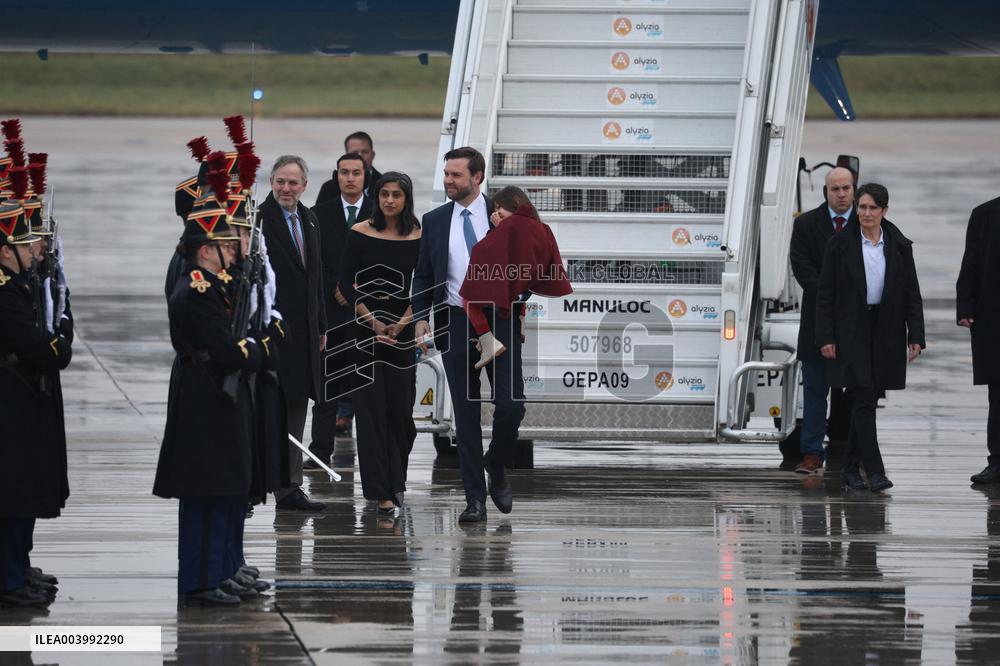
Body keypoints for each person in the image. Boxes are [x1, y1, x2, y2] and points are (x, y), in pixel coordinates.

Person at [152, 193, 265, 607]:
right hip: (204, 396)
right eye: (226, 244)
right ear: (205, 250)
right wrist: (255, 350)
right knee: (206, 491)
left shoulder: (215, 285)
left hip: (215, 395)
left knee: (223, 489)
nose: (234, 250)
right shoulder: (197, 290)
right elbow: (226, 349)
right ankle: (200, 581)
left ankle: (217, 570)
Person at [413, 146, 522, 524]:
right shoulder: (435, 220)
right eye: (446, 174)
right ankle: (474, 499)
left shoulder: (505, 215)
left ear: (477, 177)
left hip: (501, 320)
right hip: (455, 320)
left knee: (511, 405)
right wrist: (421, 316)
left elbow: (530, 262)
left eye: (456, 175)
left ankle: (496, 463)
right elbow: (425, 273)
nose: (448, 180)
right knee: (466, 414)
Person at [815, 183, 925, 492]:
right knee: (862, 396)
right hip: (852, 328)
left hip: (886, 329)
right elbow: (825, 296)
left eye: (872, 208)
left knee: (869, 397)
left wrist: (916, 334)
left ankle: (850, 468)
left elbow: (911, 293)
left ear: (884, 211)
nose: (865, 213)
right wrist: (826, 336)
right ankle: (875, 471)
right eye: (861, 207)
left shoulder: (899, 245)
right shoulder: (839, 246)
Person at [0, 200, 71, 609]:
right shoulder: (5, 291)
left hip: (22, 398)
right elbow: (39, 346)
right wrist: (57, 340)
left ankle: (17, 569)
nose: (34, 250)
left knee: (21, 493)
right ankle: (8, 580)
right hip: (10, 402)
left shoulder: (19, 282)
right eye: (25, 245)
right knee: (11, 497)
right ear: (6, 249)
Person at [337, 172, 421, 516]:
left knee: (400, 412)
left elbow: (426, 282)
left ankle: (396, 480)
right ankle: (381, 492)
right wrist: (372, 321)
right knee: (370, 415)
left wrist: (401, 325)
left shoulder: (420, 234)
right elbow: (345, 281)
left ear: (406, 199)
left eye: (396, 195)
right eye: (384, 194)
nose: (389, 200)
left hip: (402, 332)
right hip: (364, 332)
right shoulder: (360, 232)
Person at [259, 155, 327, 511]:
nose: (286, 189)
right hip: (270, 333)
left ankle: (289, 487)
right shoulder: (258, 220)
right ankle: (252, 486)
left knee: (297, 410)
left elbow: (315, 279)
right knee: (264, 412)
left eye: (293, 183)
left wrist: (321, 326)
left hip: (304, 336)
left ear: (304, 186)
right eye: (280, 182)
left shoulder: (310, 219)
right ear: (271, 182)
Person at [788, 167, 857, 474]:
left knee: (859, 393)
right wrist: (836, 294)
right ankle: (812, 452)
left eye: (846, 188)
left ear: (854, 189)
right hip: (818, 321)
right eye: (835, 189)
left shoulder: (867, 220)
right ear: (825, 192)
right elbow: (802, 268)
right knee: (815, 390)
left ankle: (859, 454)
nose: (841, 194)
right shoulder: (806, 224)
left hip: (857, 324)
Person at [307, 152, 373, 468]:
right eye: (344, 172)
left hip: (368, 313)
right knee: (326, 389)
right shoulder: (318, 214)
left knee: (368, 388)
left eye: (356, 173)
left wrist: (357, 290)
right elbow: (313, 262)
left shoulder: (380, 212)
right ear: (337, 176)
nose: (349, 178)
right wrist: (336, 286)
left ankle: (375, 455)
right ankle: (320, 451)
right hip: (331, 314)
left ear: (365, 177)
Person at [460, 186, 572, 370]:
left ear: (513, 204)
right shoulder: (538, 226)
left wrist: (498, 229)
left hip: (511, 283)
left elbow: (492, 249)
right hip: (526, 284)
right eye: (494, 209)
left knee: (468, 298)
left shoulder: (512, 226)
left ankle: (488, 342)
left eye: (499, 208)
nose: (496, 213)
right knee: (519, 292)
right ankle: (520, 317)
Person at [958, 195, 1000, 483]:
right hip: (994, 317)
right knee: (997, 394)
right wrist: (965, 307)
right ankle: (996, 461)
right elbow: (970, 262)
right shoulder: (985, 214)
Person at [315, 131, 383, 205]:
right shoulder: (329, 188)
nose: (360, 156)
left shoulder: (385, 185)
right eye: (354, 153)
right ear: (346, 155)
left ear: (372, 155)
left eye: (365, 152)